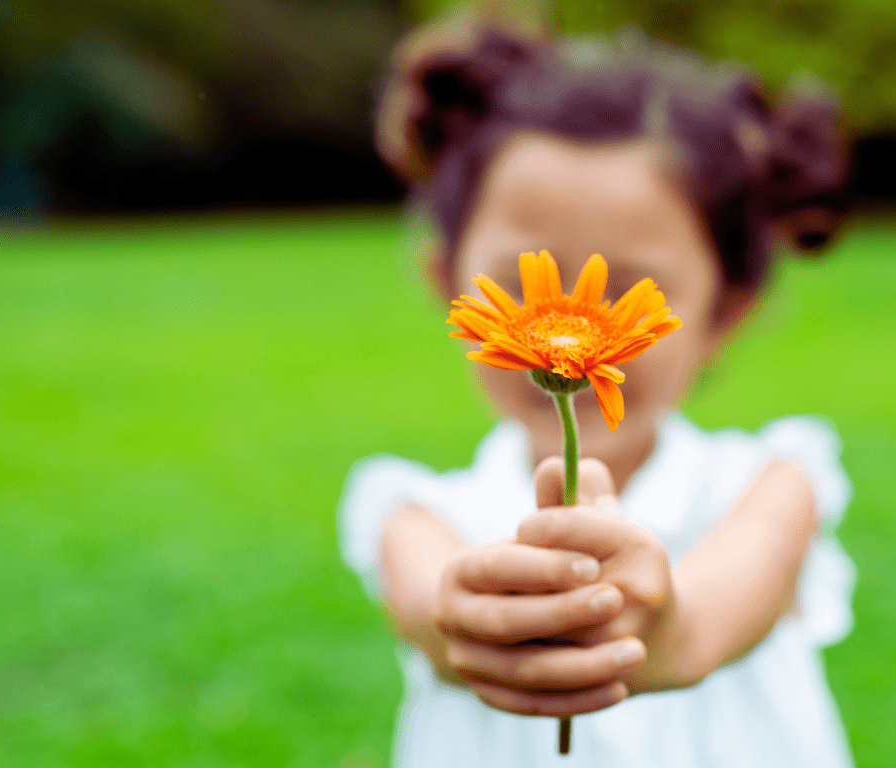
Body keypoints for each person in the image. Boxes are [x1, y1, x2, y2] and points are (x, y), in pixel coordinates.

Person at [341, 14, 855, 767]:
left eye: (632, 292)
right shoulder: (415, 512)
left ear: (726, 311)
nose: (572, 331)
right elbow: (431, 608)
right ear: (446, 284)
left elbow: (718, 611)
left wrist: (664, 633)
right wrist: (471, 621)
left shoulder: (773, 485)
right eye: (521, 286)